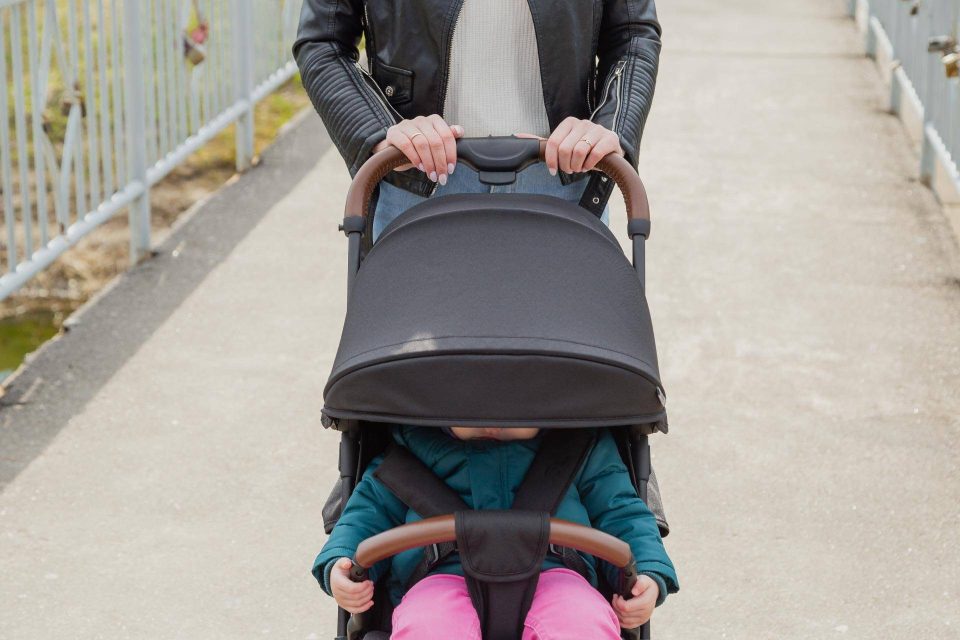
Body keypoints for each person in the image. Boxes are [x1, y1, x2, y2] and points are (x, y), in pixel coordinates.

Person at [293, 0, 662, 238]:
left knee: (567, 356)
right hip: (418, 181)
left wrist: (609, 126)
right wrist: (380, 132)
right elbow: (322, 40)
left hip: (563, 184)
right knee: (413, 358)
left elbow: (632, 35)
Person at [313, 425, 679, 640]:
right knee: (426, 627)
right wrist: (342, 561)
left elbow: (622, 512)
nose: (492, 423)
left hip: (558, 572)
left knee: (582, 622)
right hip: (440, 575)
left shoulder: (580, 445)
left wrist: (646, 571)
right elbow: (367, 512)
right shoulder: (412, 444)